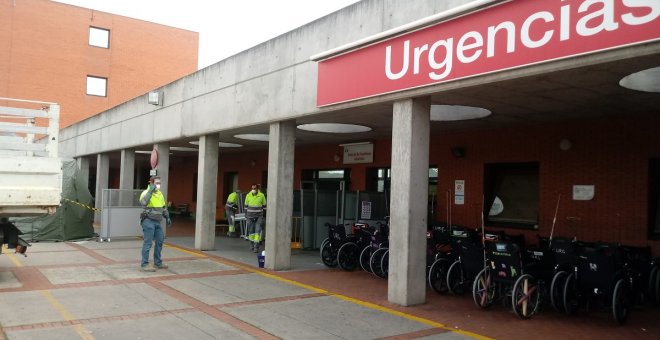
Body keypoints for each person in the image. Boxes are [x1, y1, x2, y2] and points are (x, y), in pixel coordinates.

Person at [139, 176, 171, 272]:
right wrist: (150, 192)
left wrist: (167, 216)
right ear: (151, 183)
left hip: (157, 222)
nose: (159, 185)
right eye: (157, 183)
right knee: (148, 243)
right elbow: (143, 203)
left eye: (159, 183)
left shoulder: (160, 194)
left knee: (160, 241)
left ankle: (158, 262)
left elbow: (163, 207)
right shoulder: (145, 193)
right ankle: (144, 264)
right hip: (148, 221)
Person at [245, 183, 266, 253]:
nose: (253, 190)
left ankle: (256, 247)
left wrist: (264, 215)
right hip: (249, 217)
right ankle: (251, 244)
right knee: (251, 232)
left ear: (257, 189)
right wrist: (246, 215)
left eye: (254, 188)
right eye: (252, 188)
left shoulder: (261, 195)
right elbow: (246, 206)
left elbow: (264, 206)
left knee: (257, 231)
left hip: (259, 217)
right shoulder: (248, 195)